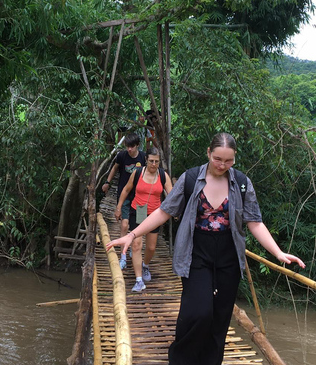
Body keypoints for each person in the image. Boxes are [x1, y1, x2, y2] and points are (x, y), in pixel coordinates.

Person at [106, 132, 304, 365]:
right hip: (196, 251)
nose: (222, 165)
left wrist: (278, 253)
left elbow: (254, 222)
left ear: (234, 158)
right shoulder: (191, 178)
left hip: (228, 255)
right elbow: (164, 211)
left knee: (219, 319)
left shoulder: (241, 183)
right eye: (217, 159)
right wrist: (132, 234)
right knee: (198, 313)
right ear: (208, 153)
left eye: (228, 160)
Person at [115, 147, 173, 292]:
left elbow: (172, 195)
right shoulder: (138, 173)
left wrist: (174, 211)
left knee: (151, 247)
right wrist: (119, 207)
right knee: (136, 244)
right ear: (146, 160)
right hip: (139, 211)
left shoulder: (163, 175)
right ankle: (139, 280)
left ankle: (145, 265)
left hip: (155, 214)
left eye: (157, 161)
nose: (154, 164)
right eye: (151, 161)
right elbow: (126, 190)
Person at [102, 132, 146, 269]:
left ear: (137, 145)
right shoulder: (122, 156)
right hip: (124, 194)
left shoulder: (144, 157)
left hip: (141, 196)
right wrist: (107, 182)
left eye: (132, 147)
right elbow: (115, 168)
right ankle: (123, 256)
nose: (129, 149)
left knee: (139, 227)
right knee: (124, 225)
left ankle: (134, 249)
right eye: (127, 146)